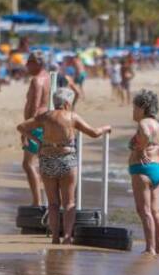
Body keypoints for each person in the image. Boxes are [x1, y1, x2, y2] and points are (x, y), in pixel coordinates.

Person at [16, 88, 111, 245]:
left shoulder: (45, 116)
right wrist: (106, 128)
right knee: (69, 203)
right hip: (67, 159)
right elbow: (94, 133)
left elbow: (21, 127)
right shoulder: (72, 116)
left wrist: (37, 141)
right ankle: (67, 236)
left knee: (53, 203)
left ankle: (54, 237)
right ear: (67, 103)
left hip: (47, 159)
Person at [127, 90, 159, 255]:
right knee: (156, 211)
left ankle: (150, 248)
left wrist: (141, 152)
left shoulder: (143, 124)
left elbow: (146, 135)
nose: (133, 111)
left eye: (134, 108)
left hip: (142, 170)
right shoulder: (158, 125)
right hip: (157, 169)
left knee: (144, 210)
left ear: (143, 107)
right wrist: (157, 148)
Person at [21, 53, 51, 206]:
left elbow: (35, 105)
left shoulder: (37, 80)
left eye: (28, 63)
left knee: (28, 164)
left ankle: (37, 201)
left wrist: (27, 129)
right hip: (46, 123)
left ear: (36, 63)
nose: (26, 66)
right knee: (42, 162)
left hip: (36, 125)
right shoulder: (48, 77)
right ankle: (48, 199)